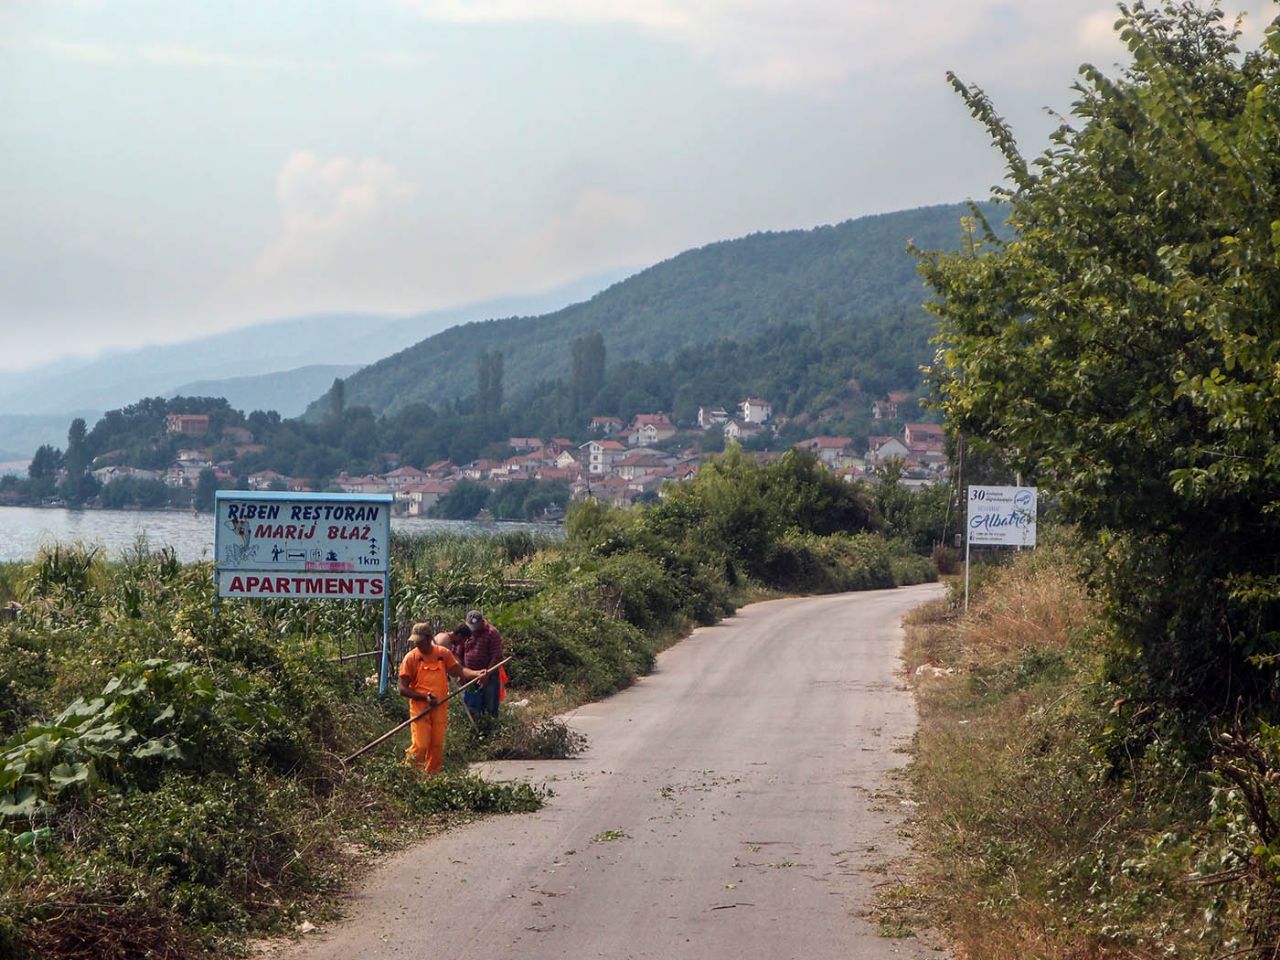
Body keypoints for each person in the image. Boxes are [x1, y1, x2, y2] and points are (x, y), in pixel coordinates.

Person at [398, 622, 487, 775]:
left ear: (429, 638)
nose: (418, 644)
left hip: (440, 706)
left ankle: (432, 778)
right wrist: (424, 697)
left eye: (421, 641)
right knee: (420, 745)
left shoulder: (442, 654)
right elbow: (402, 688)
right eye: (416, 641)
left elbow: (459, 671)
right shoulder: (411, 658)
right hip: (420, 708)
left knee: (437, 746)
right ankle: (408, 775)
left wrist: (476, 673)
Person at [459, 609, 504, 717]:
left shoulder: (492, 633)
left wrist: (486, 674)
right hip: (469, 675)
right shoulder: (466, 633)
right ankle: (475, 729)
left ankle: (490, 729)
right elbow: (458, 653)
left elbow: (496, 656)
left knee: (490, 705)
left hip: (488, 675)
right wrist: (461, 672)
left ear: (482, 622)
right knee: (471, 705)